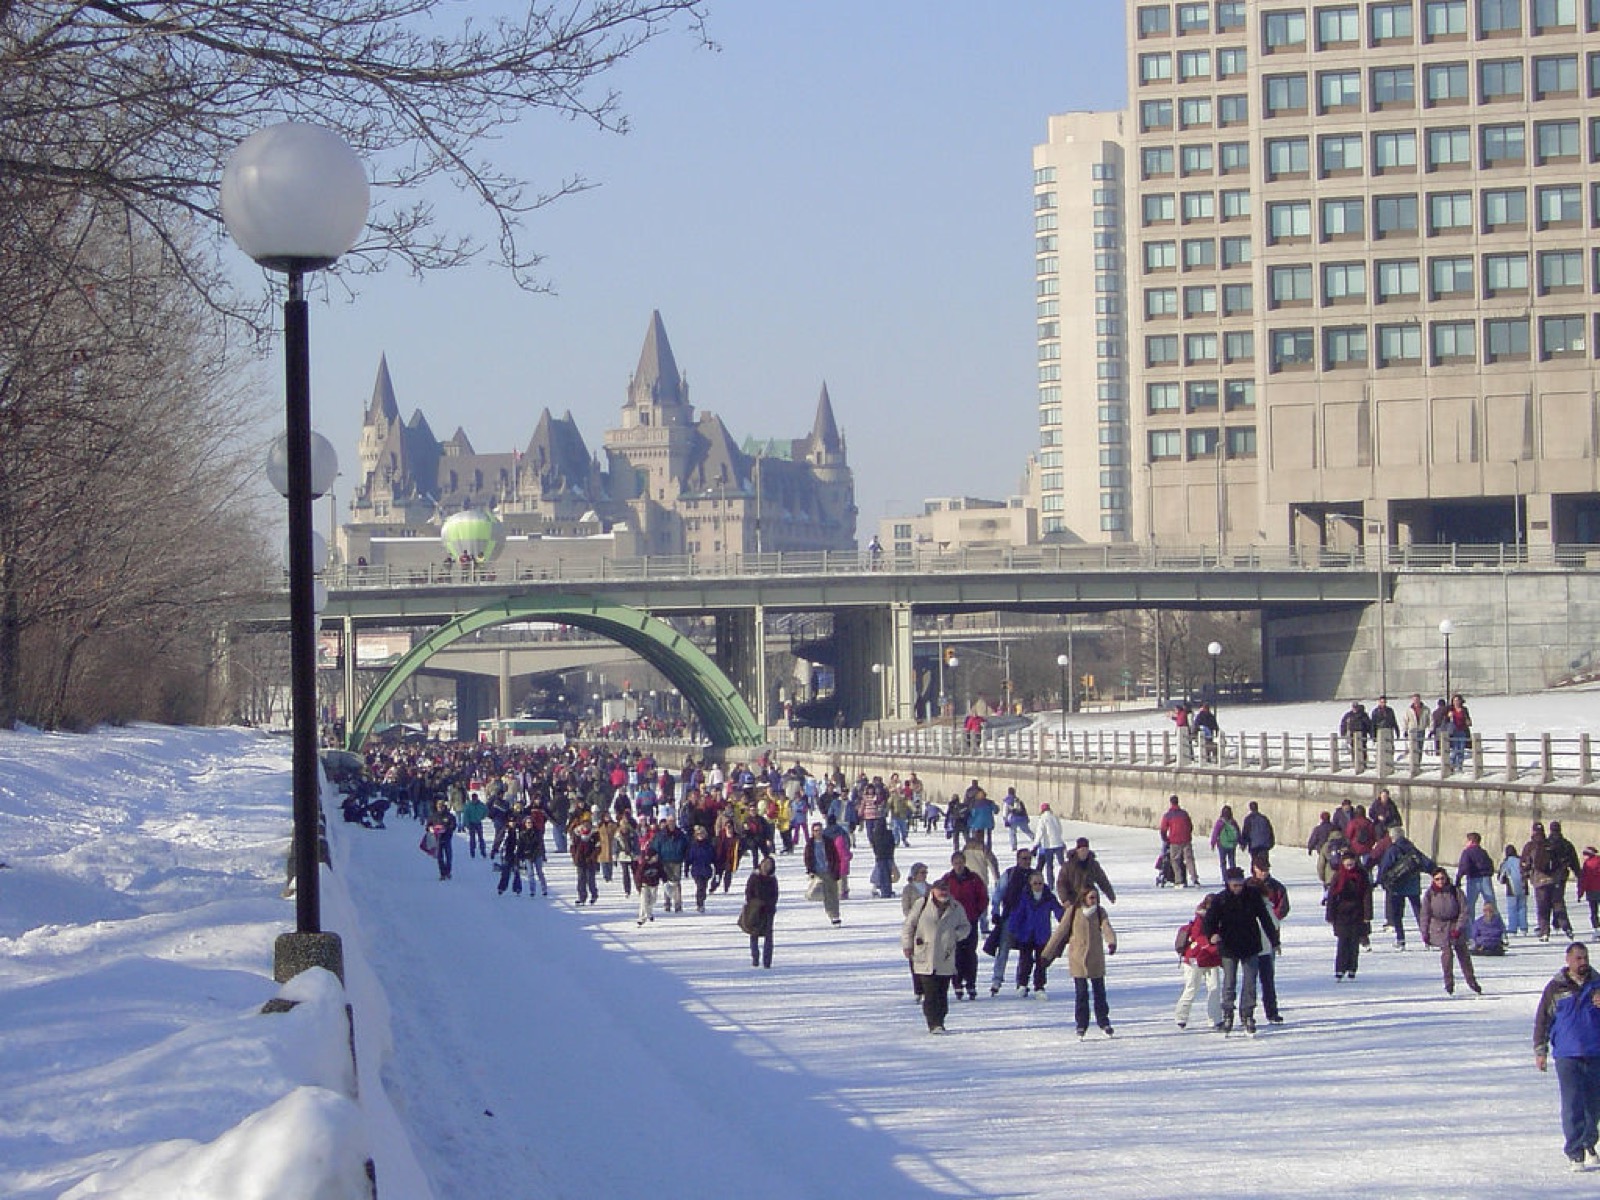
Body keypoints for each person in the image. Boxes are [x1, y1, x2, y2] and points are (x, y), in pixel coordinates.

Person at [1533, 942, 1600, 1170]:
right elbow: (1543, 1020)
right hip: (1567, 1054)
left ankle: (1589, 1142)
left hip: (1595, 1052)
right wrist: (1540, 1050)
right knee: (1572, 1104)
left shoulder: (1598, 985)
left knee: (1594, 1104)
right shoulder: (1556, 988)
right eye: (1578, 958)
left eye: (1585, 958)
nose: (1583, 962)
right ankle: (1575, 1151)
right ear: (1568, 960)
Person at [1203, 865, 1279, 1035]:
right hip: (1229, 946)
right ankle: (1228, 1012)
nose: (1237, 888)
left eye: (1240, 884)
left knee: (1250, 982)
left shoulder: (1252, 897)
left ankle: (1248, 1014)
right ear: (1228, 884)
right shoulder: (1220, 899)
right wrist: (1212, 935)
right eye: (1234, 884)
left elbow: (1265, 919)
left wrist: (1274, 941)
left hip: (1250, 945)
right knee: (1229, 982)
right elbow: (1209, 921)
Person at [1042, 884, 1116, 1037]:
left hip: (1095, 958)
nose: (1094, 900)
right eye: (1091, 897)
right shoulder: (1074, 912)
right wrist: (1046, 954)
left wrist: (1111, 941)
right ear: (1084, 898)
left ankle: (1104, 1022)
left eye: (1096, 897)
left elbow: (1107, 927)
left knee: (1099, 992)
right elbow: (1060, 932)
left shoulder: (1100, 912)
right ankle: (1081, 1024)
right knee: (1081, 993)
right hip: (1078, 958)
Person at [901, 875, 970, 1034]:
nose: (943, 892)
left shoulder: (956, 907)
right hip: (924, 953)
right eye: (940, 890)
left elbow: (966, 927)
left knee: (942, 991)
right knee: (930, 991)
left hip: (945, 955)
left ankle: (941, 1020)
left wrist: (955, 935)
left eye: (945, 889)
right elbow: (908, 926)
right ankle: (933, 1023)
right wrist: (907, 945)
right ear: (933, 891)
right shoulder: (922, 904)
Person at [1421, 867, 1482, 996]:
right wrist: (1424, 932)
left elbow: (1464, 910)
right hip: (1439, 927)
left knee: (1463, 955)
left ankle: (1471, 981)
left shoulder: (1455, 891)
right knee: (1447, 955)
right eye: (1437, 879)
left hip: (1455, 925)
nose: (1440, 881)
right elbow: (1425, 914)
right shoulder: (1430, 894)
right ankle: (1449, 983)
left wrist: (1459, 927)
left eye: (1442, 878)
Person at [1247, 854, 1289, 1025]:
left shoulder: (1276, 887)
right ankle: (1247, 1012)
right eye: (1261, 869)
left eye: (1266, 869)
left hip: (1269, 938)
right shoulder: (1246, 886)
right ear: (1254, 869)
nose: (1264, 872)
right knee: (1249, 979)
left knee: (1268, 977)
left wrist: (1273, 919)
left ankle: (1272, 1011)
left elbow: (1283, 907)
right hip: (1249, 940)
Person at [1008, 870, 1063, 999]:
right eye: (1035, 883)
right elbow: (1018, 914)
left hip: (1042, 935)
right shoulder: (1024, 897)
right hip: (1026, 934)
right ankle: (1022, 984)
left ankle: (1039, 986)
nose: (1038, 886)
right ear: (1030, 884)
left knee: (1041, 962)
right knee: (1025, 960)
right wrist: (1013, 929)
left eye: (1040, 883)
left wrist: (1065, 917)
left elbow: (1058, 911)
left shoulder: (1049, 897)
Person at [988, 848, 1036, 996]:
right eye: (1024, 859)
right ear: (1017, 859)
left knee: (1026, 951)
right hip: (1010, 916)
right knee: (1003, 948)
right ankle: (997, 980)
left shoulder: (1034, 875)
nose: (1027, 861)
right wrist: (995, 912)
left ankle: (1021, 981)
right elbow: (998, 893)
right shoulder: (1009, 874)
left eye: (1029, 859)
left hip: (1027, 920)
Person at [943, 850, 989, 1001]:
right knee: (955, 953)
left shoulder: (974, 879)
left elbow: (983, 897)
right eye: (956, 863)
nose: (959, 866)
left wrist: (977, 911)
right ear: (952, 864)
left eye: (961, 863)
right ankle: (957, 983)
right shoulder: (947, 879)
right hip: (952, 922)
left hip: (970, 920)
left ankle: (971, 982)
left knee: (970, 952)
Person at [1175, 894, 1224, 1031]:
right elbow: (1199, 938)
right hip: (1195, 959)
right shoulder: (1200, 919)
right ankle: (1181, 1017)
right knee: (1191, 988)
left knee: (1214, 989)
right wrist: (1213, 944)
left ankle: (1215, 1019)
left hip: (1211, 959)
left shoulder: (1220, 918)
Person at [1376, 825, 1430, 949]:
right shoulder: (1412, 848)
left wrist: (1380, 880)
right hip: (1413, 884)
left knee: (1397, 914)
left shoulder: (1393, 849)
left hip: (1397, 886)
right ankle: (1426, 938)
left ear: (1392, 837)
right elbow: (1424, 861)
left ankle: (1400, 939)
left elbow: (1384, 865)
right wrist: (1434, 870)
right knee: (1419, 912)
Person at [1325, 850, 1372, 981]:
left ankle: (1352, 968)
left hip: (1358, 913)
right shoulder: (1338, 876)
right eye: (1347, 861)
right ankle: (1340, 969)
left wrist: (1367, 914)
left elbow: (1367, 895)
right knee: (1342, 942)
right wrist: (1330, 915)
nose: (1349, 863)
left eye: (1351, 861)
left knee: (1354, 943)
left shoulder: (1362, 875)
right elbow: (1332, 897)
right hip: (1341, 915)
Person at [1056, 837, 1117, 907]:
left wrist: (1111, 895)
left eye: (1085, 850)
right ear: (1077, 850)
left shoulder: (1093, 864)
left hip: (1090, 898)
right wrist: (1065, 899)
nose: (1083, 852)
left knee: (1098, 915)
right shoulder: (1068, 866)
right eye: (1081, 850)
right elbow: (1061, 883)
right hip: (1073, 899)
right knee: (1067, 917)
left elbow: (1102, 880)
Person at [741, 855, 779, 968]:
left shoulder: (772, 879)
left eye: (769, 865)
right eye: (765, 863)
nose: (766, 866)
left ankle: (767, 961)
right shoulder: (754, 877)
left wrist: (770, 905)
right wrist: (753, 904)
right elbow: (748, 892)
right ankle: (755, 957)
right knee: (754, 934)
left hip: (768, 910)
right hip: (755, 909)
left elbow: (775, 895)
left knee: (768, 935)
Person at [900, 862, 931, 1001]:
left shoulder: (930, 888)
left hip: (930, 925)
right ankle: (918, 989)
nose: (924, 875)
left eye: (926, 873)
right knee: (915, 958)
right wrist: (914, 919)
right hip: (915, 926)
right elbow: (906, 908)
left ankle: (928, 988)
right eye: (922, 872)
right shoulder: (908, 889)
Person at [804, 821, 844, 926]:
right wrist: (810, 871)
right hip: (818, 873)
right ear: (812, 832)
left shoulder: (828, 842)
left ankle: (835, 915)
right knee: (826, 894)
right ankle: (831, 913)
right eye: (816, 831)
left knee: (833, 894)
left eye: (820, 830)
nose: (818, 833)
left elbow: (835, 857)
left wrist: (836, 870)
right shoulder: (810, 844)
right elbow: (807, 858)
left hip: (830, 871)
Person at [1159, 794, 1199, 887]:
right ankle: (1195, 879)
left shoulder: (1168, 815)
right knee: (1189, 860)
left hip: (1174, 841)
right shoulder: (1184, 813)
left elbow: (1163, 829)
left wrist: (1166, 839)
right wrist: (1187, 835)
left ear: (1171, 803)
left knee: (1175, 860)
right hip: (1186, 840)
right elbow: (1190, 826)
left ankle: (1178, 880)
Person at [1456, 831, 1497, 919]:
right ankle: (1496, 923)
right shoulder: (1483, 852)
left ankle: (1471, 927)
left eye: (1467, 841)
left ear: (1471, 841)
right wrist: (1488, 873)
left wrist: (1458, 878)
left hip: (1473, 879)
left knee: (1470, 905)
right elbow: (1490, 864)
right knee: (1491, 902)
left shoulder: (1467, 852)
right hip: (1485, 878)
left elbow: (1463, 866)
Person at [1499, 840, 1529, 937]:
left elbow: (1501, 877)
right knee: (1522, 907)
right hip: (1524, 888)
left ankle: (1512, 928)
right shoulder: (1521, 860)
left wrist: (1503, 881)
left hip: (1512, 889)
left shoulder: (1506, 863)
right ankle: (1524, 927)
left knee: (1512, 909)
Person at [685, 824, 717, 912]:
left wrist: (716, 867)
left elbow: (713, 857)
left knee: (704, 887)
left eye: (702, 834)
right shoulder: (693, 846)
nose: (700, 836)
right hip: (696, 870)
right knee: (700, 886)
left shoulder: (709, 845)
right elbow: (689, 859)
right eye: (698, 834)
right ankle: (700, 904)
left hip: (706, 870)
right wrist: (686, 869)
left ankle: (702, 899)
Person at [1034, 802, 1066, 878]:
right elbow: (1060, 829)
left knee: (1049, 866)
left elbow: (1040, 832)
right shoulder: (1055, 817)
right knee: (1063, 864)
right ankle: (1069, 879)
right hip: (1058, 843)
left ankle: (1051, 884)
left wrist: (1035, 844)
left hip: (1048, 845)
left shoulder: (1042, 819)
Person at [427, 800, 457, 882]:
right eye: (438, 806)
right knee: (439, 858)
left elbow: (453, 825)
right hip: (437, 839)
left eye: (441, 806)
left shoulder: (449, 816)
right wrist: (431, 829)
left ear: (444, 806)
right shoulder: (434, 816)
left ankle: (448, 872)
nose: (440, 808)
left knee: (449, 857)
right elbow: (428, 825)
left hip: (447, 838)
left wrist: (446, 829)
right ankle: (442, 873)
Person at [1210, 805, 1240, 877]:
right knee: (1232, 861)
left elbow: (1215, 832)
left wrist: (1213, 843)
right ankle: (1233, 876)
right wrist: (1241, 842)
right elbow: (1238, 832)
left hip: (1222, 844)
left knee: (1223, 862)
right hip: (1232, 845)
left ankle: (1225, 877)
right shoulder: (1233, 822)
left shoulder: (1220, 822)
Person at [1445, 693, 1472, 770]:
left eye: (1457, 700)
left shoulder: (1464, 709)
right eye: (1454, 701)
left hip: (1462, 731)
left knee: (1461, 749)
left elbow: (1468, 719)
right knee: (1455, 749)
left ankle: (1460, 766)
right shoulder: (1450, 709)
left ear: (1460, 701)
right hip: (1453, 732)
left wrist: (1468, 721)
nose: (1456, 702)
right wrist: (1448, 716)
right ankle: (1451, 765)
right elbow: (1445, 721)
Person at [1581, 848, 1600, 932]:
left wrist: (1580, 893)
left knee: (1594, 912)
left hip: (1591, 891)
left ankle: (1596, 928)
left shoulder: (1587, 864)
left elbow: (1584, 880)